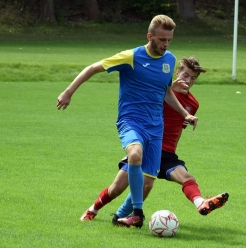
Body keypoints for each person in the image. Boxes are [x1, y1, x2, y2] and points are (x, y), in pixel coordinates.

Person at [57, 15, 198, 228]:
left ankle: (120, 216)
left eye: (169, 40)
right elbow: (93, 67)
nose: (166, 44)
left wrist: (184, 114)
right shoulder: (131, 57)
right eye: (161, 39)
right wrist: (68, 92)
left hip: (155, 127)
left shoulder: (169, 60)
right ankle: (138, 215)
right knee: (134, 154)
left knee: (146, 184)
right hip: (131, 121)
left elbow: (167, 92)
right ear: (149, 36)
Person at [78, 56, 229, 227]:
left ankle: (201, 202)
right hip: (146, 145)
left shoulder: (193, 104)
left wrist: (172, 151)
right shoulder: (160, 91)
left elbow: (178, 130)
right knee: (117, 188)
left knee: (186, 177)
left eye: (193, 78)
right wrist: (170, 88)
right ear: (177, 72)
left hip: (166, 153)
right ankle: (94, 210)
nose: (188, 80)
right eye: (185, 75)